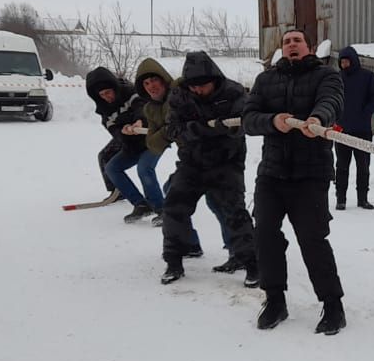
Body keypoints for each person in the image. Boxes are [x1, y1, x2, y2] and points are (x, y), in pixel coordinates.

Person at [240, 29, 346, 334]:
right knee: (265, 236)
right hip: (272, 173)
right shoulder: (265, 81)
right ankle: (275, 300)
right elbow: (248, 118)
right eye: (287, 42)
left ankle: (332, 305)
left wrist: (317, 120)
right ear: (281, 50)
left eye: (297, 40)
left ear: (308, 47)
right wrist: (272, 121)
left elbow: (331, 101)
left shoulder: (325, 75)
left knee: (313, 239)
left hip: (310, 174)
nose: (291, 45)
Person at [158, 52, 259, 286]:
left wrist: (228, 128)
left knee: (234, 213)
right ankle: (173, 262)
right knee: (173, 208)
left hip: (226, 162)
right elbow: (172, 129)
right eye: (194, 87)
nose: (198, 91)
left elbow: (245, 124)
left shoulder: (233, 92)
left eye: (203, 86)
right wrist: (200, 129)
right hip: (191, 164)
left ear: (214, 78)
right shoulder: (179, 95)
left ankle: (253, 265)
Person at [135, 57, 229, 264]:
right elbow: (153, 143)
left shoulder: (182, 88)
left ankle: (239, 251)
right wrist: (170, 131)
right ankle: (190, 245)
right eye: (146, 83)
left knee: (218, 201)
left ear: (164, 79)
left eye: (154, 80)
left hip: (215, 152)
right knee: (173, 195)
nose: (151, 86)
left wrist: (174, 129)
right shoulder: (150, 109)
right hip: (190, 159)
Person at [86, 67, 156, 222]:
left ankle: (160, 207)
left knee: (144, 169)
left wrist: (139, 121)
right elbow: (113, 131)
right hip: (131, 142)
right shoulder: (103, 109)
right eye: (102, 95)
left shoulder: (130, 91)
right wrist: (123, 133)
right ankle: (136, 202)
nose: (107, 97)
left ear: (115, 88)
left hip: (151, 137)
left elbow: (142, 106)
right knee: (109, 164)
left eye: (108, 92)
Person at [334, 46, 374, 210]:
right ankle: (341, 199)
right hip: (341, 130)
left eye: (347, 61)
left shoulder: (367, 77)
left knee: (363, 167)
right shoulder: (337, 78)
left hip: (362, 130)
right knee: (341, 166)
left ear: (353, 61)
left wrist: (365, 111)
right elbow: (330, 99)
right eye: (342, 62)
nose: (344, 64)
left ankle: (363, 199)